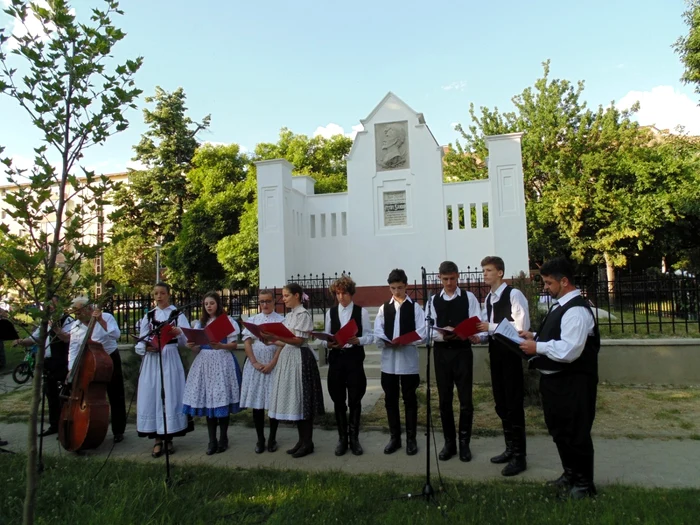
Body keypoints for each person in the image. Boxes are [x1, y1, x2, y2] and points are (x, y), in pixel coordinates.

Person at [519, 257, 600, 499]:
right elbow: (557, 335)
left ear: (564, 281)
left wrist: (537, 347)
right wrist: (533, 335)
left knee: (576, 432)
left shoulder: (576, 310)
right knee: (559, 431)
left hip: (573, 382)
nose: (545, 287)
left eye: (548, 283)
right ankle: (570, 473)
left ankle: (584, 484)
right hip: (554, 382)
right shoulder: (561, 305)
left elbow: (569, 350)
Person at [476, 256, 531, 476]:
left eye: (489, 270)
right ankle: (510, 448)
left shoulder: (514, 294)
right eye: (484, 271)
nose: (485, 274)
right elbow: (488, 329)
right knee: (501, 404)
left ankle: (520, 457)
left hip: (511, 356)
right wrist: (479, 336)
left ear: (500, 272)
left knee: (514, 405)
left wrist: (490, 326)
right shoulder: (489, 298)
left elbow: (521, 328)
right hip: (496, 355)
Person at [425, 261, 481, 462]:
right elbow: (429, 330)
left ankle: (464, 443)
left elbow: (477, 323)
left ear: (458, 277)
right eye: (445, 279)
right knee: (444, 400)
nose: (449, 283)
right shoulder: (432, 301)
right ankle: (449, 443)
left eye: (452, 279)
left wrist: (472, 334)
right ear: (440, 278)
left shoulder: (469, 297)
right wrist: (444, 336)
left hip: (463, 353)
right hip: (442, 354)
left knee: (466, 401)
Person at [265, 283, 325, 458]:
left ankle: (308, 442)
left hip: (300, 359)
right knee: (296, 400)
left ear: (297, 295)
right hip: (289, 358)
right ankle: (302, 441)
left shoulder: (303, 315)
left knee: (302, 399)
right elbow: (285, 341)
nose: (283, 299)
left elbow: (298, 340)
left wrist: (277, 336)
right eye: (283, 296)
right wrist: (270, 340)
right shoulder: (290, 316)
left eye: (286, 295)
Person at [134, 282, 193, 458]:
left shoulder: (177, 314)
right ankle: (156, 439)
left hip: (170, 358)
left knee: (169, 394)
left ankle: (169, 438)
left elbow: (186, 341)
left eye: (162, 293)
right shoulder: (149, 315)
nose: (159, 296)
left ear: (168, 294)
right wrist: (145, 347)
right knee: (153, 395)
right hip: (152, 359)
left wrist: (179, 333)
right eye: (156, 294)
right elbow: (141, 340)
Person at [182, 292, 242, 455]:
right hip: (205, 363)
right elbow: (197, 348)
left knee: (222, 399)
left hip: (222, 361)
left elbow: (234, 345)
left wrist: (220, 346)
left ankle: (223, 438)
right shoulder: (200, 323)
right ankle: (212, 440)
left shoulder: (227, 321)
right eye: (206, 303)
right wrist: (191, 346)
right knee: (209, 400)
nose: (209, 306)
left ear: (218, 304)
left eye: (212, 303)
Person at [374, 269, 427, 456]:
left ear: (406, 286)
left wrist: (407, 340)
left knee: (410, 400)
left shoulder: (415, 308)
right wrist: (385, 340)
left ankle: (411, 439)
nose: (396, 292)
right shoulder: (384, 308)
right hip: (389, 362)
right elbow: (377, 332)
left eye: (400, 288)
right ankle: (394, 438)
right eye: (393, 288)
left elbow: (423, 333)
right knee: (390, 400)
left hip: (408, 361)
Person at [320, 275, 372, 456]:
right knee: (338, 400)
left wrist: (359, 339)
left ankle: (354, 438)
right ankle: (342, 438)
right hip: (336, 359)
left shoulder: (361, 312)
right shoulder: (331, 312)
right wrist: (328, 343)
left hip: (354, 359)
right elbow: (326, 336)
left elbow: (370, 336)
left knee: (355, 399)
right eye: (338, 294)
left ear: (351, 293)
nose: (341, 297)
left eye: (344, 293)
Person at [68, 296, 126, 443]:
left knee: (116, 394)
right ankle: (92, 426)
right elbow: (74, 348)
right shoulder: (75, 326)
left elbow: (116, 335)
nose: (77, 316)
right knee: (91, 395)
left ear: (89, 309)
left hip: (109, 358)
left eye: (79, 312)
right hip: (89, 362)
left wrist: (100, 321)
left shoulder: (106, 317)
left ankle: (118, 430)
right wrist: (71, 369)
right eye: (75, 313)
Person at [14, 295, 73, 437]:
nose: (49, 308)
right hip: (47, 363)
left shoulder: (67, 320)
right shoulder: (44, 322)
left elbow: (69, 338)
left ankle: (65, 427)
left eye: (52, 305)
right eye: (47, 306)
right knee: (50, 395)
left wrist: (56, 329)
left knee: (63, 396)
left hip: (61, 361)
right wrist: (21, 341)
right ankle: (54, 425)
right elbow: (35, 338)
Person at [240, 290, 285, 453]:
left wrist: (273, 362)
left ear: (274, 302)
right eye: (262, 302)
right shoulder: (253, 320)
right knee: (257, 405)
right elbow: (247, 342)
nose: (265, 305)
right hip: (256, 366)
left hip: (274, 364)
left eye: (268, 301)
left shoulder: (282, 320)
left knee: (273, 403)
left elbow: (284, 343)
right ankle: (260, 439)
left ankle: (272, 438)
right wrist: (254, 362)